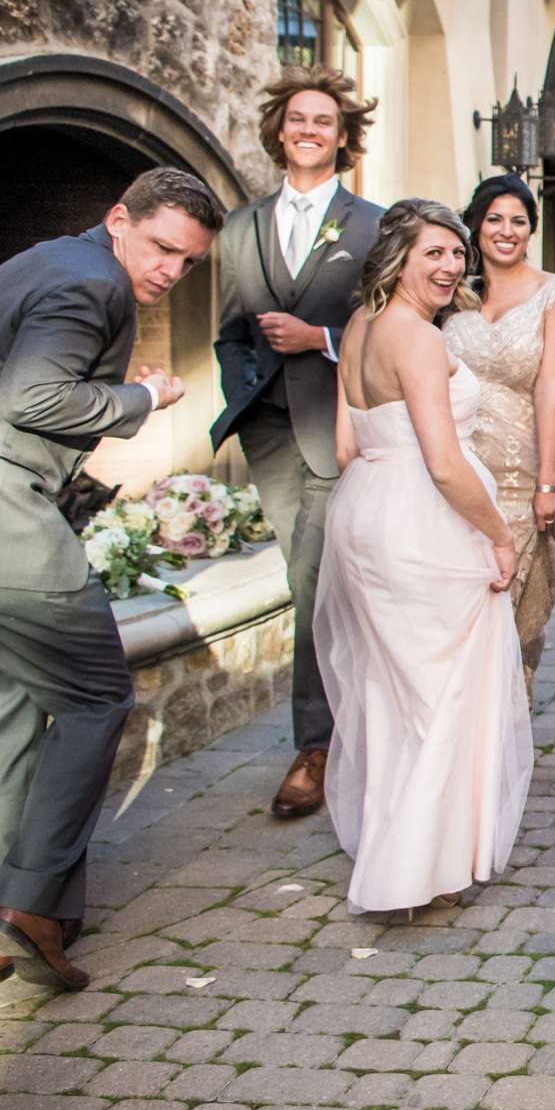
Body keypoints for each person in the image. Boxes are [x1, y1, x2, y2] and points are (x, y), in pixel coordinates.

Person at [0, 169, 222, 989]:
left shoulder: (44, 262)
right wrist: (142, 395)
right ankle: (24, 912)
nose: (171, 272)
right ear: (118, 220)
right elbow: (36, 397)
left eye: (189, 262)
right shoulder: (93, 282)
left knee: (3, 714)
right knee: (98, 696)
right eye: (164, 248)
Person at [319, 201, 533, 917]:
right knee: (443, 693)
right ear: (398, 258)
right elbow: (444, 464)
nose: (450, 266)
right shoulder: (414, 339)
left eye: (456, 254)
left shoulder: (358, 329)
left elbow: (346, 446)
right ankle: (413, 871)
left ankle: (400, 848)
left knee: (390, 690)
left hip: (363, 508)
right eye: (434, 253)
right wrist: (499, 533)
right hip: (420, 520)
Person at [213, 67, 385, 822]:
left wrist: (321, 338)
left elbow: (397, 328)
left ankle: (315, 748)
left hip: (336, 428)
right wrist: (245, 397)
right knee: (308, 579)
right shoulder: (239, 227)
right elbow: (228, 333)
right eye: (297, 120)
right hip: (271, 431)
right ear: (279, 132)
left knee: (313, 584)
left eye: (324, 121)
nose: (309, 130)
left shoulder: (372, 226)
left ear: (343, 137)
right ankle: (347, 725)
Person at [444, 176, 555, 693]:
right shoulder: (452, 290)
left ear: (531, 231)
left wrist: (546, 482)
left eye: (518, 221)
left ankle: (507, 731)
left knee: (514, 607)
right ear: (476, 226)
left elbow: (550, 386)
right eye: (494, 219)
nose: (506, 231)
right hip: (456, 466)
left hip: (525, 468)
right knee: (460, 603)